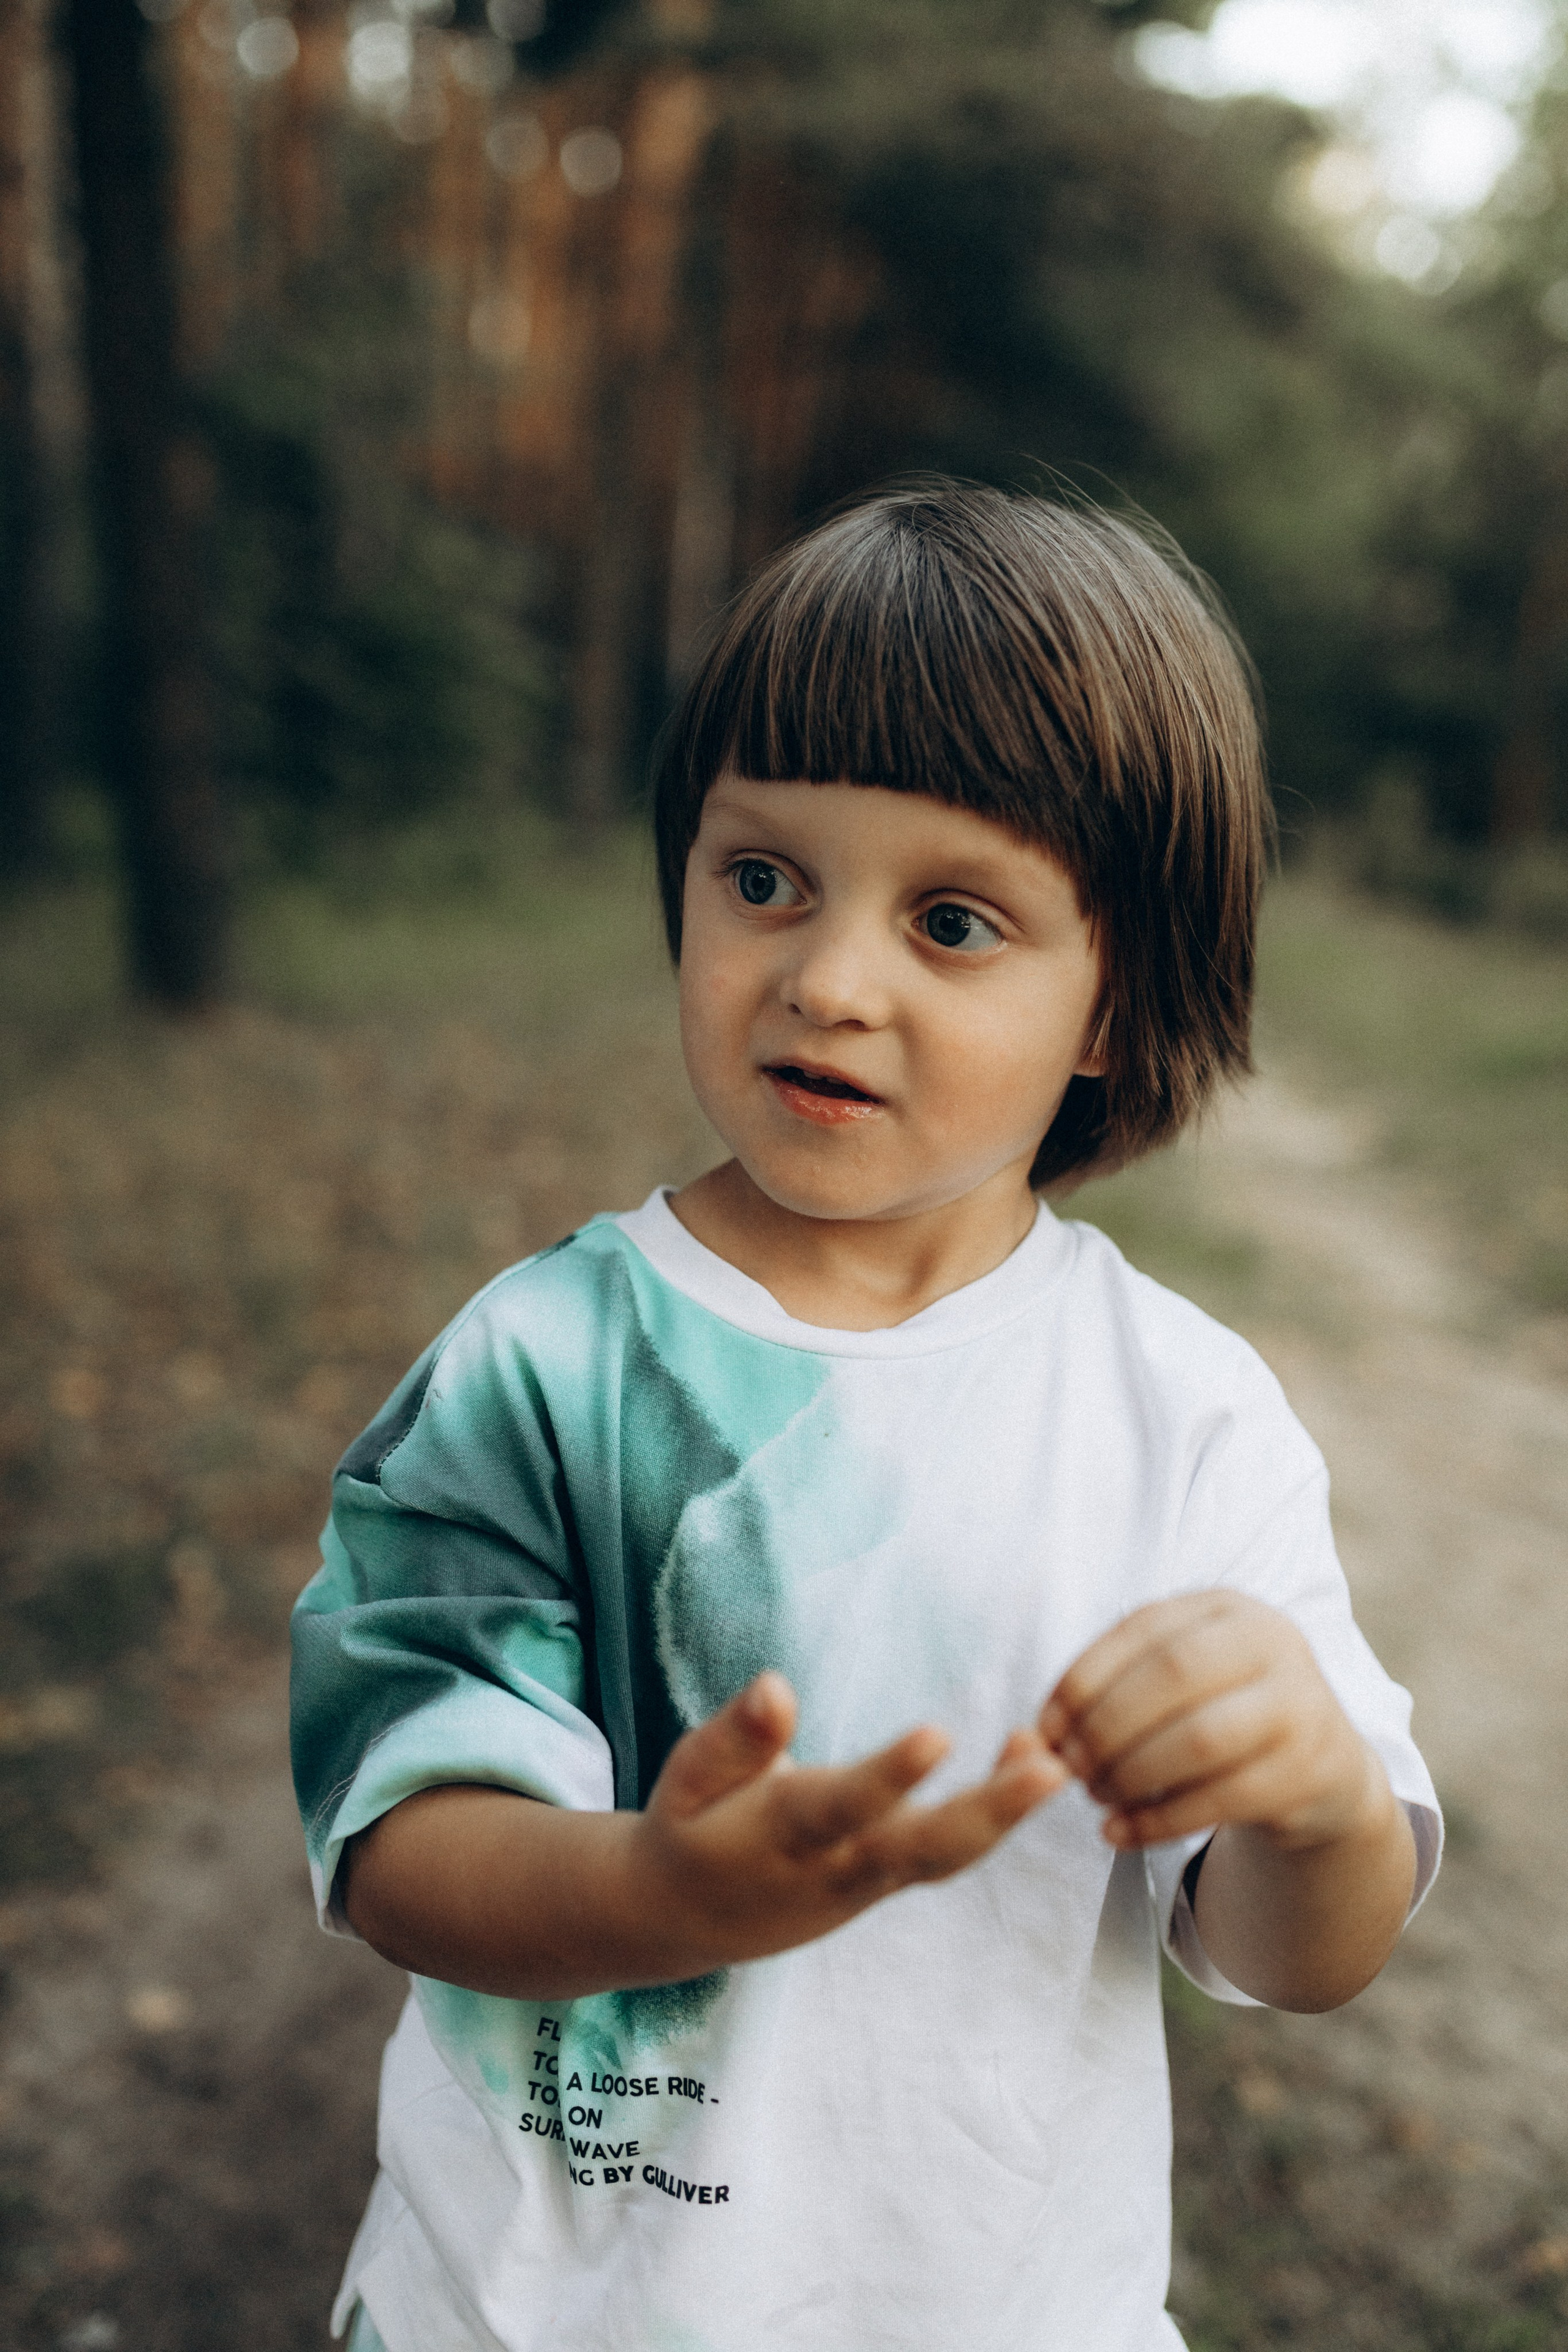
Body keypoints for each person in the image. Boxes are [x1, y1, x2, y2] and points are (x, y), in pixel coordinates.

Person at [290, 483, 1440, 2352]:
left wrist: (1315, 1795)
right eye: (764, 880)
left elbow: (1303, 1955)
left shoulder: (1182, 1420)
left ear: (1113, 1006)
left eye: (955, 920)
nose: (827, 979)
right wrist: (656, 1887)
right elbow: (396, 1844)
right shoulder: (543, 1364)